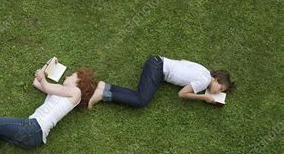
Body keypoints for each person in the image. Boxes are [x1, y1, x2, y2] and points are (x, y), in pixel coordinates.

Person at [88, 56, 233, 109]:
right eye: (220, 89)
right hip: (158, 69)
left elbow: (183, 62)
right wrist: (205, 97)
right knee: (140, 100)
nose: (217, 92)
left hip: (158, 63)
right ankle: (103, 94)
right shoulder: (204, 81)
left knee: (140, 96)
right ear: (217, 80)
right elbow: (182, 94)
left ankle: (104, 87)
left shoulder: (203, 70)